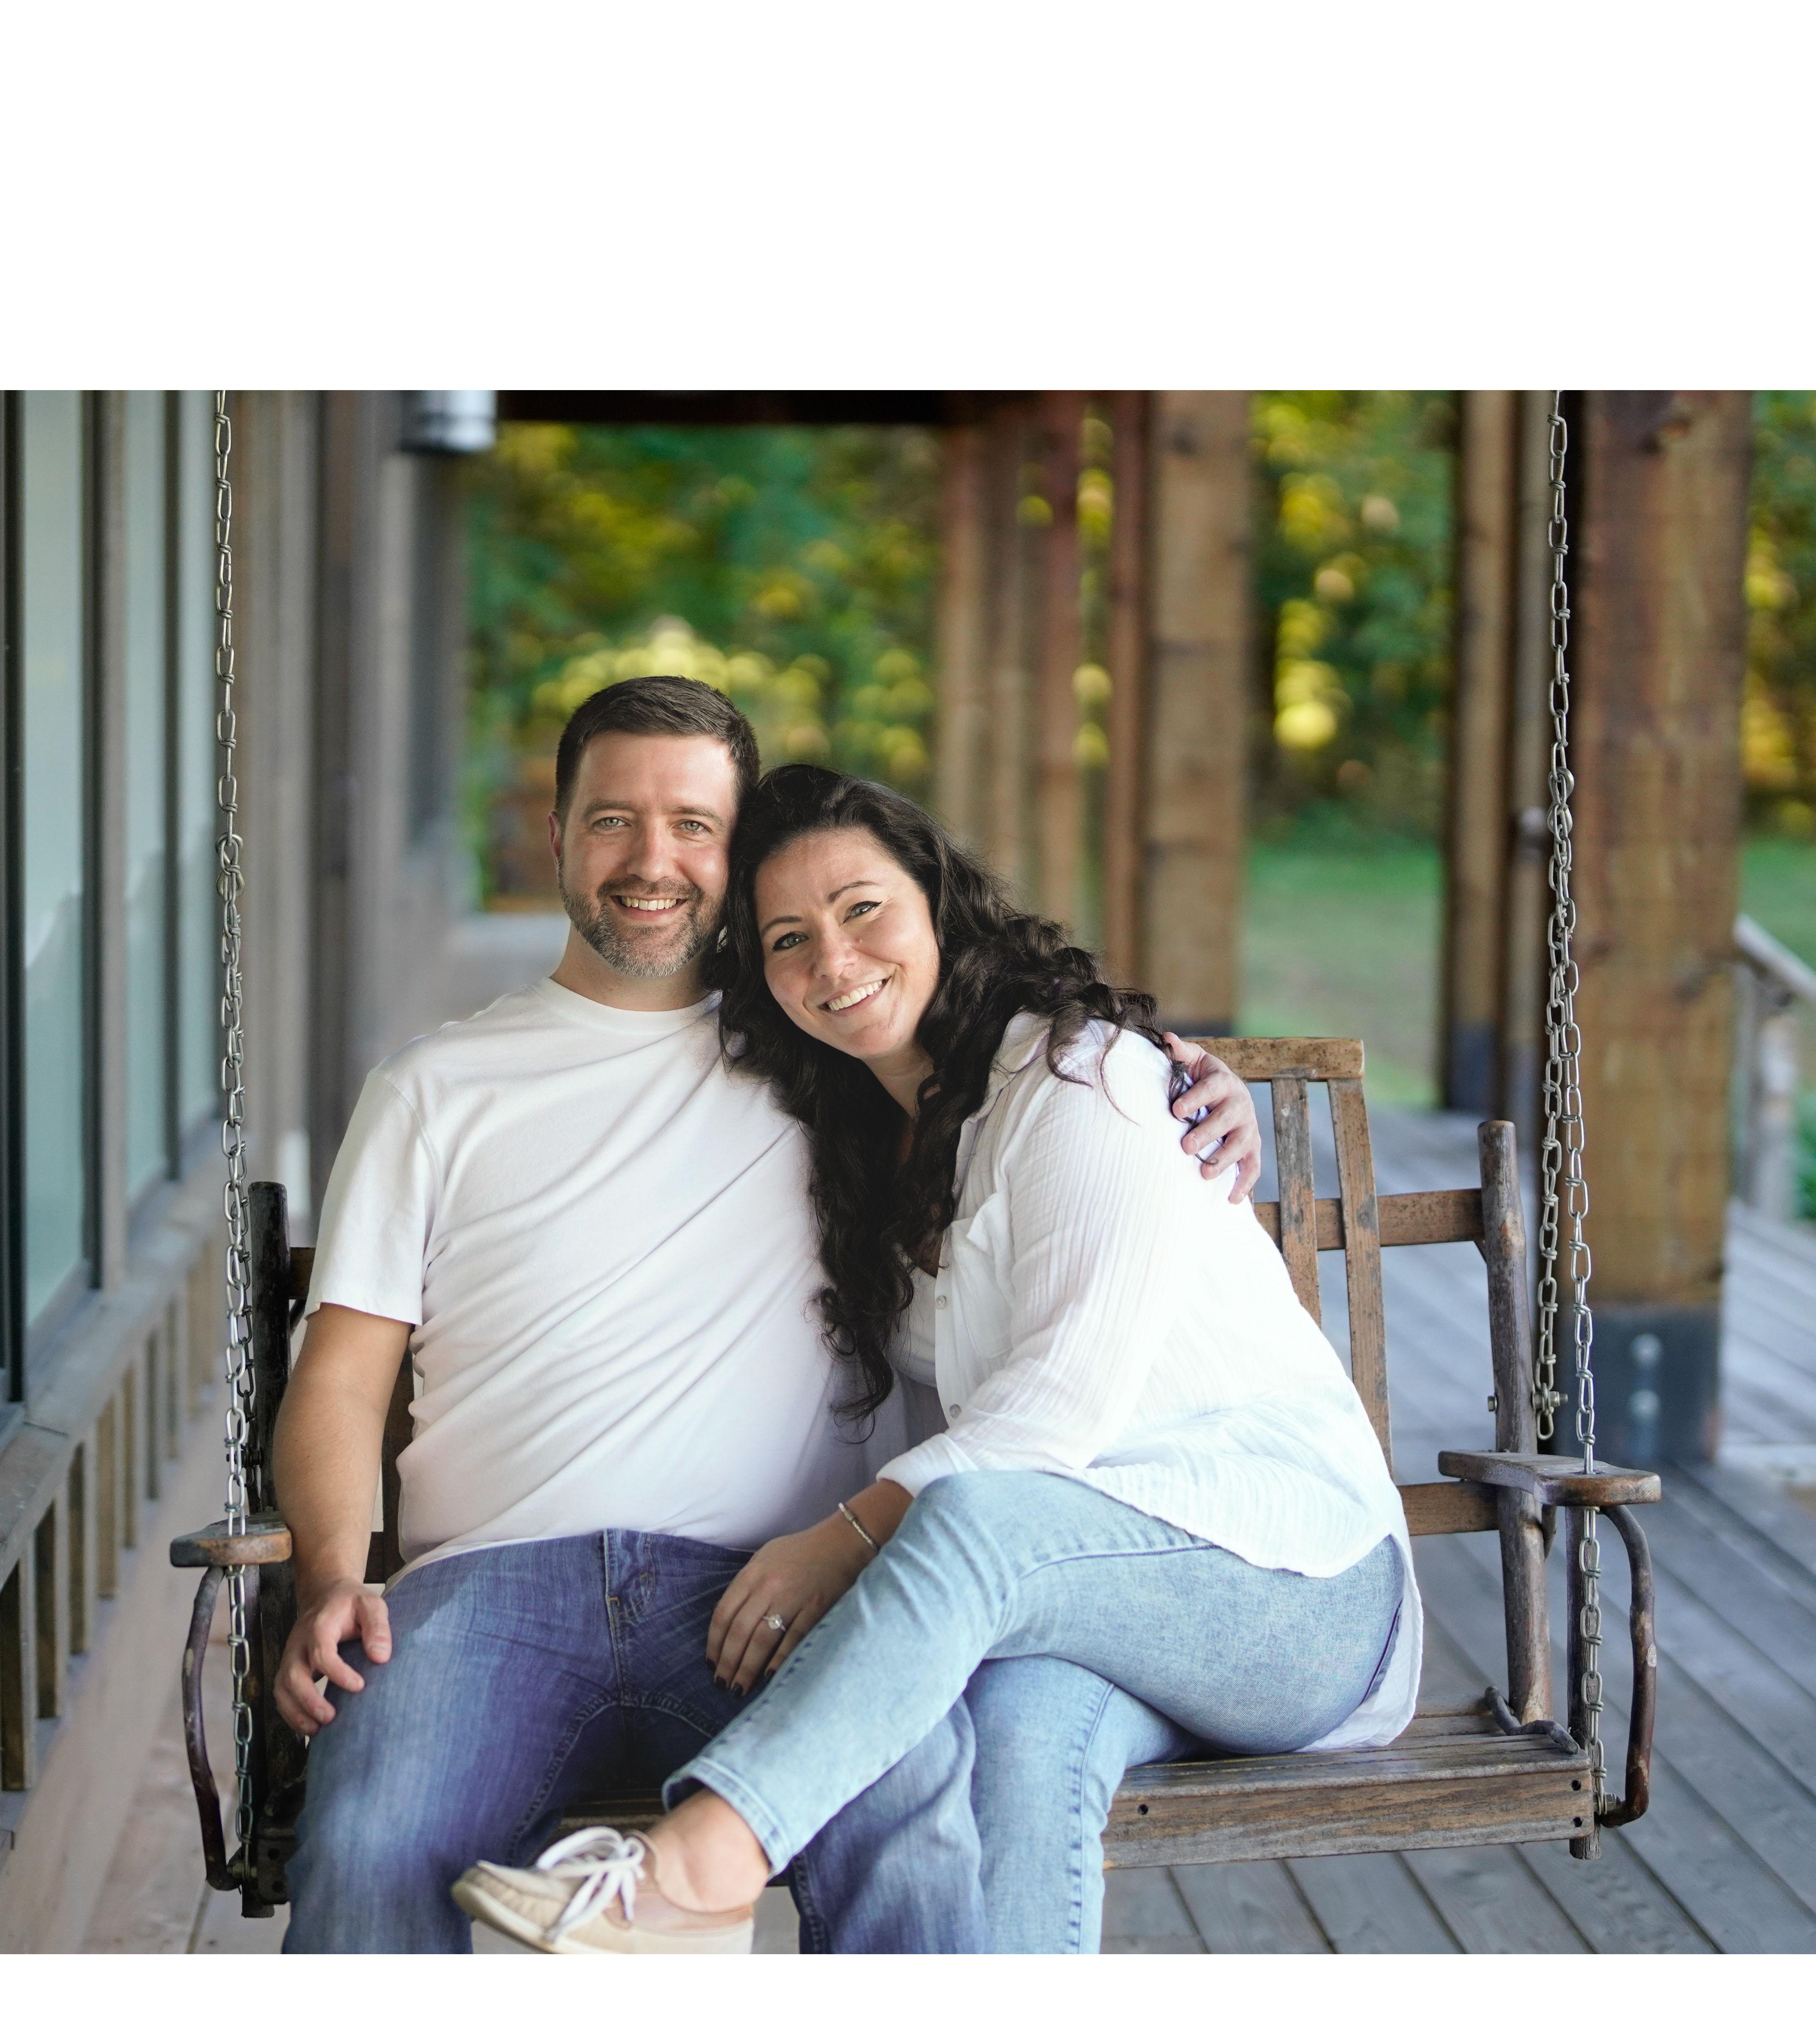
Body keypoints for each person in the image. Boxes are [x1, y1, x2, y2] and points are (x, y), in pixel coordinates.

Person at [278, 684, 1262, 1952]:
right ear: (559, 835)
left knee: (911, 1805)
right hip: (485, 1593)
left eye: (694, 826)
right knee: (364, 1839)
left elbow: (1026, 1065)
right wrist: (329, 1573)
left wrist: (1177, 1071)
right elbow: (343, 1379)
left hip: (764, 1588)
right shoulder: (435, 1087)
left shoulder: (823, 1057)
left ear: (737, 858)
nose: (652, 861)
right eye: (613, 820)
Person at [452, 763, 1414, 1956]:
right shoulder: (864, 1152)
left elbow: (1050, 1416)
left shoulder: (1085, 1080)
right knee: (1009, 1738)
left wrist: (842, 1540)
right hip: (1078, 1609)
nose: (834, 962)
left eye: (863, 909)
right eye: (789, 940)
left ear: (939, 903)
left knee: (975, 1519)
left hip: (1297, 1586)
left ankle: (699, 1868)